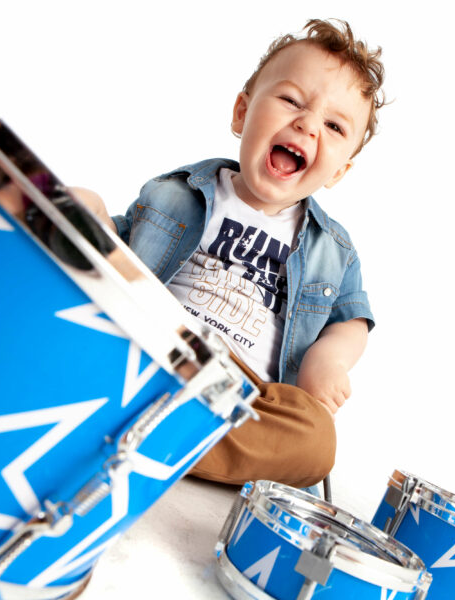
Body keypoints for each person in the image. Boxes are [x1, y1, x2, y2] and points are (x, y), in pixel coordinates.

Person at [70, 18, 385, 488]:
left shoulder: (333, 250)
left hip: (241, 396)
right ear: (242, 112)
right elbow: (119, 246)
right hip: (153, 350)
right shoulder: (175, 193)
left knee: (316, 438)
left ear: (339, 172)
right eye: (291, 100)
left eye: (335, 126)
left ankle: (144, 432)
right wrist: (90, 214)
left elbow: (351, 319)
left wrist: (329, 359)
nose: (306, 123)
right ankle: (148, 425)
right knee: (76, 309)